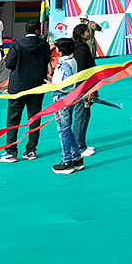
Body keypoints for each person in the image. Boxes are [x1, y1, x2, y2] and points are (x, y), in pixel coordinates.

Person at [0, 20, 51, 163]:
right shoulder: (44, 45)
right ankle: (31, 150)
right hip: (37, 86)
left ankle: (11, 151)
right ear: (38, 31)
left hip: (18, 87)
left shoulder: (17, 44)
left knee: (13, 119)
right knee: (34, 118)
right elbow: (46, 61)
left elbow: (9, 64)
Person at [50, 37, 84, 174]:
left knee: (63, 130)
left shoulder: (65, 64)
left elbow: (67, 84)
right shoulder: (71, 60)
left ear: (61, 50)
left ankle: (67, 161)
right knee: (67, 129)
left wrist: (52, 86)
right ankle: (76, 157)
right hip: (68, 98)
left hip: (62, 98)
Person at [70, 22, 96, 159]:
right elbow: (84, 70)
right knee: (81, 114)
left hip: (83, 85)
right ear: (81, 34)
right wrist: (89, 88)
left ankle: (82, 143)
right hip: (82, 86)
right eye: (87, 31)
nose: (89, 33)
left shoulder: (80, 47)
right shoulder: (81, 49)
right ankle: (78, 147)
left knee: (85, 114)